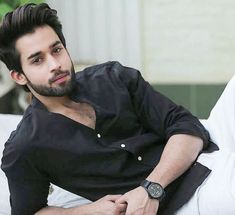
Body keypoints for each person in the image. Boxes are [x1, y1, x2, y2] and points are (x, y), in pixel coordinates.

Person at [0, 3, 218, 215]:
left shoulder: (114, 78)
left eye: (57, 50)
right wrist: (83, 211)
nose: (54, 64)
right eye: (37, 60)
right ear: (19, 76)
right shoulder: (25, 147)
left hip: (207, 171)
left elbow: (188, 126)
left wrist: (151, 189)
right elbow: (29, 211)